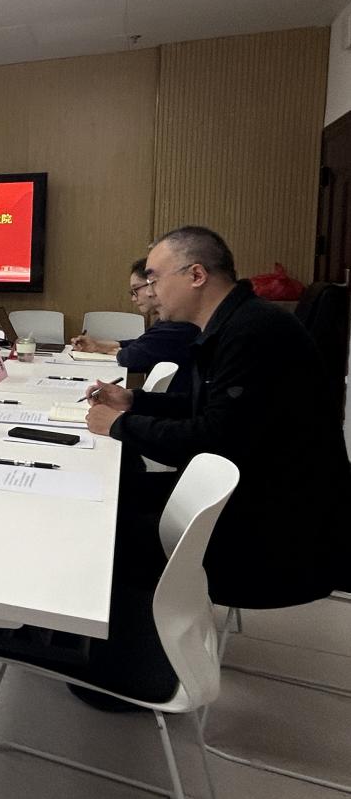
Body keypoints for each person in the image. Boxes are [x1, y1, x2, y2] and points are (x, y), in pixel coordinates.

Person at [86, 226, 350, 610]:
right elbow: (210, 410)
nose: (151, 291)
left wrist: (118, 425)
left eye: (154, 279)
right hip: (249, 498)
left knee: (101, 534)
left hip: (275, 534)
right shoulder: (235, 322)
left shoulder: (252, 332)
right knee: (112, 494)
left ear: (196, 275)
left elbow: (213, 439)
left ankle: (120, 643)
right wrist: (133, 400)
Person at [70, 258, 199, 394]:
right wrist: (99, 346)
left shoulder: (179, 323)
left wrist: (120, 352)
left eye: (136, 290)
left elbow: (132, 357)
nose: (134, 298)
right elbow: (144, 343)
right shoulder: (169, 321)